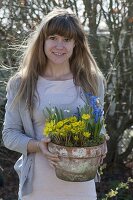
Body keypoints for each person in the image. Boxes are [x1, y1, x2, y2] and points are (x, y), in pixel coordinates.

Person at [2, 8, 107, 200]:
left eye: (66, 40)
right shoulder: (21, 83)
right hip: (37, 188)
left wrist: (101, 144)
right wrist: (37, 145)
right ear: (42, 40)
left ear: (76, 44)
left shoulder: (92, 81)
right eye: (53, 37)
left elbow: (98, 127)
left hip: (81, 187)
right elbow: (9, 135)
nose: (59, 45)